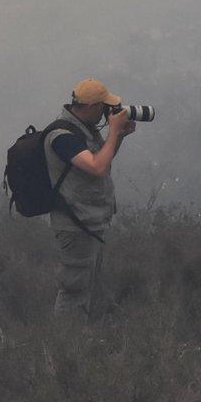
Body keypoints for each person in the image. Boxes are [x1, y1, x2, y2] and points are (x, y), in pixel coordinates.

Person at [43, 79, 135, 318]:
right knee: (74, 290)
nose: (108, 112)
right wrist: (114, 130)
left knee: (86, 288)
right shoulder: (61, 135)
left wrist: (120, 136)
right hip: (75, 225)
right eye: (105, 107)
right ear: (92, 106)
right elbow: (96, 167)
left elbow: (102, 159)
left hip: (90, 221)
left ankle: (77, 343)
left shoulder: (84, 130)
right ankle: (65, 347)